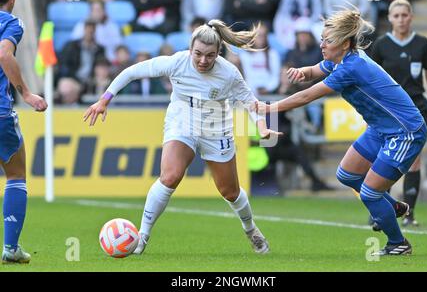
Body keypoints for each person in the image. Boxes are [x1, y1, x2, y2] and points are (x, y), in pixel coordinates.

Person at [83, 19, 282, 255]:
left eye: (210, 55)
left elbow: (252, 104)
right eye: (197, 53)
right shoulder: (177, 62)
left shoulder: (229, 73)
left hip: (215, 126)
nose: (202, 60)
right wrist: (105, 99)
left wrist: (262, 127)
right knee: (170, 176)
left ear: (219, 53)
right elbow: (132, 72)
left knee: (230, 191)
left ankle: (251, 230)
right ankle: (142, 237)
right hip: (182, 120)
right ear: (190, 49)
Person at [256, 8, 426, 256]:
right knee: (346, 174)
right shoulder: (342, 60)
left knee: (369, 193)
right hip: (382, 129)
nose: (322, 44)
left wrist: (270, 107)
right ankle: (394, 208)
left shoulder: (351, 68)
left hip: (405, 132)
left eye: (328, 41)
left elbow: (307, 95)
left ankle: (398, 244)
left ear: (345, 43)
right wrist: (303, 72)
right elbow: (316, 70)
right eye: (322, 39)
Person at [370, 0, 427, 226]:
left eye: (405, 15)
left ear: (411, 17)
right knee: (386, 156)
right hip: (389, 110)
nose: (401, 20)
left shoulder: (421, 44)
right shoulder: (382, 45)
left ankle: (409, 213)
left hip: (416, 109)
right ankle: (380, 210)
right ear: (390, 18)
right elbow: (372, 78)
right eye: (396, 16)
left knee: (414, 160)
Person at [0, 0, 48, 263]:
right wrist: (28, 93)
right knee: (16, 175)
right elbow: (5, 55)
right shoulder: (10, 22)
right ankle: (10, 249)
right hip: (1, 113)